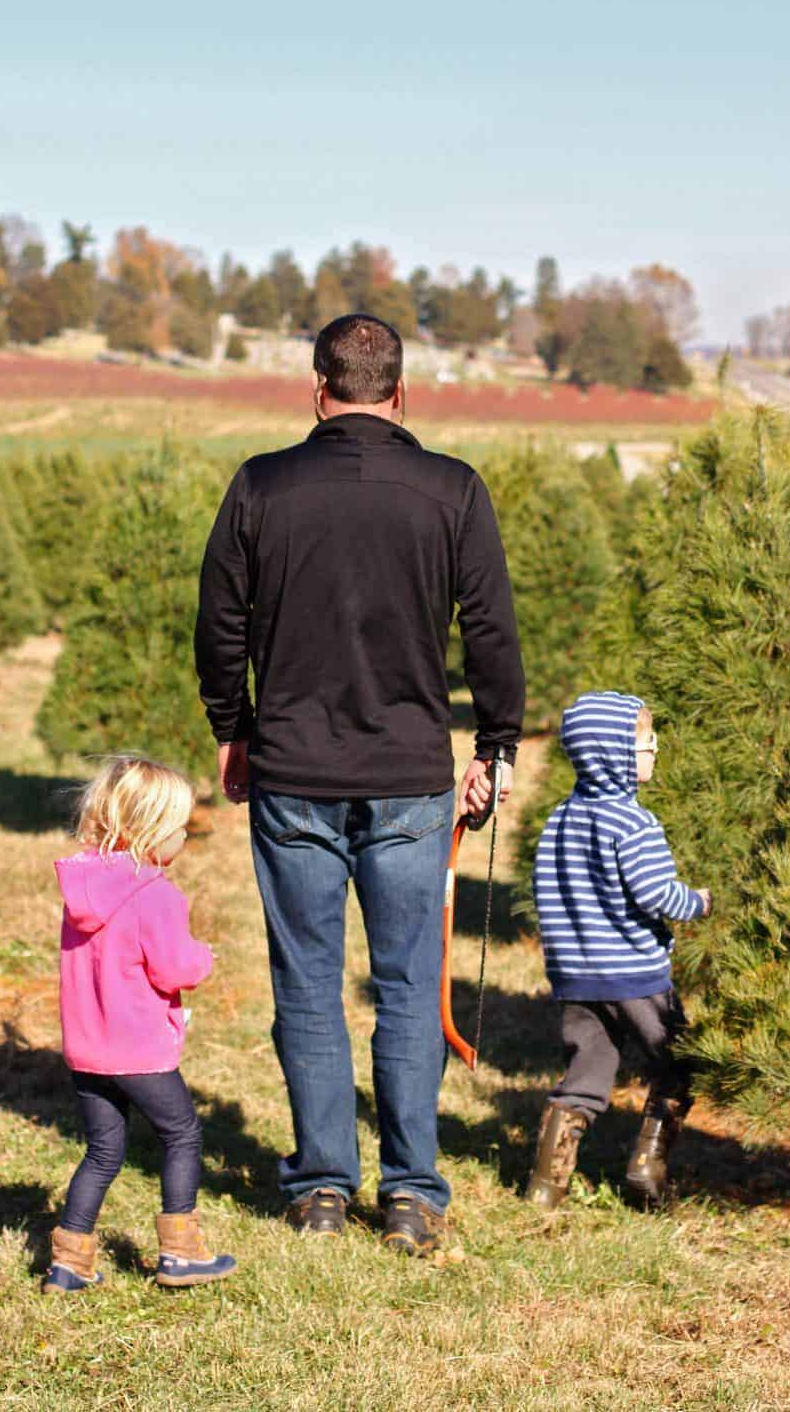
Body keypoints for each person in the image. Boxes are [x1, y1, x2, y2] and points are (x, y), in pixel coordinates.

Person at [194, 313, 524, 1256]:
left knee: (307, 985)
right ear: (402, 392)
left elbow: (218, 623)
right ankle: (413, 1194)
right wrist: (495, 744)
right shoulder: (451, 489)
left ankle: (324, 1189)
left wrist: (234, 731)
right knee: (409, 986)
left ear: (317, 389)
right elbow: (492, 631)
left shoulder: (260, 485)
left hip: (292, 772)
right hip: (411, 778)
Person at [43, 754, 236, 1293]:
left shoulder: (83, 891)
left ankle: (69, 1260)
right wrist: (205, 956)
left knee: (104, 1150)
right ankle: (181, 1251)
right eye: (181, 830)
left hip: (87, 1051)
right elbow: (176, 967)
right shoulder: (155, 895)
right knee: (183, 1134)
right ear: (152, 833)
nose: (183, 841)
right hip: (140, 1052)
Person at [525, 692, 711, 1210]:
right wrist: (697, 901)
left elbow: (547, 889)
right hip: (636, 975)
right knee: (680, 1063)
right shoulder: (633, 823)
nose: (655, 748)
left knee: (585, 1073)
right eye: (646, 741)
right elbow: (656, 894)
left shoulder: (560, 820)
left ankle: (546, 1186)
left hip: (578, 976)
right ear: (616, 754)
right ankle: (648, 1172)